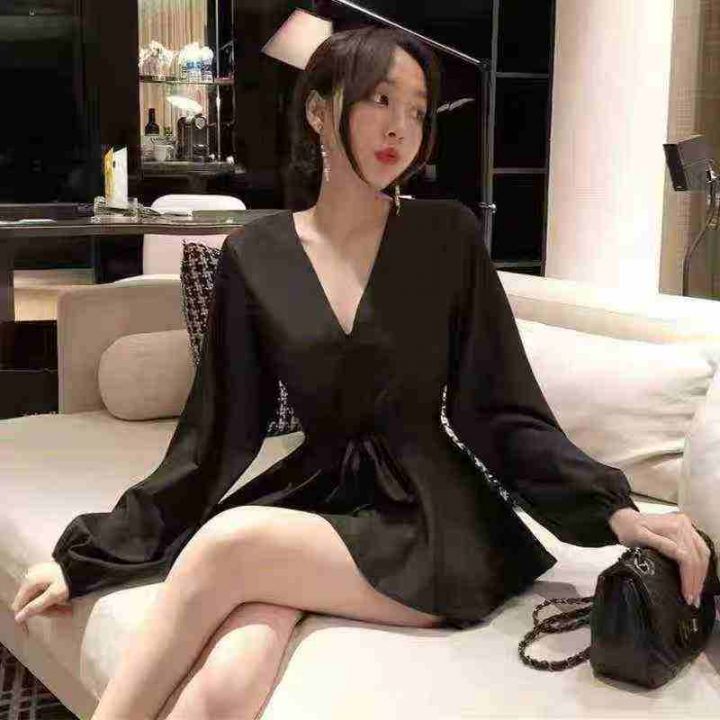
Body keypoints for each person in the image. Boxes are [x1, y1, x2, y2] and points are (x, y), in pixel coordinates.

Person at [11, 25, 712, 720]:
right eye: (380, 99)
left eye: (417, 110)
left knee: (226, 543)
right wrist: (86, 557)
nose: (401, 126)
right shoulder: (256, 256)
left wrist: (613, 509)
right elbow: (214, 437)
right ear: (319, 109)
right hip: (319, 501)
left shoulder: (446, 237)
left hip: (426, 521)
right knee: (226, 679)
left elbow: (498, 410)